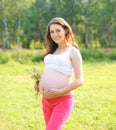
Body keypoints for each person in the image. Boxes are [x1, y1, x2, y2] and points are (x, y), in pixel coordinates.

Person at [34, 17, 83, 130]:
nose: (55, 34)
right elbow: (51, 71)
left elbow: (80, 80)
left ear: (65, 30)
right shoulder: (52, 51)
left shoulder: (73, 52)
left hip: (62, 101)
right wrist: (39, 84)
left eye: (58, 30)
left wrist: (59, 92)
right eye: (52, 32)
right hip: (46, 100)